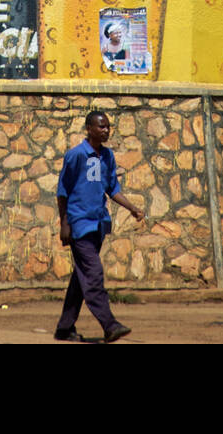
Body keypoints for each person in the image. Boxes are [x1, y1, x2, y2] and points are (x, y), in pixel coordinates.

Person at [54, 109, 144, 343]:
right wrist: (64, 224)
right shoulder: (76, 155)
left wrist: (132, 208)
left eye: (108, 126)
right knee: (93, 274)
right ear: (89, 129)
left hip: (98, 225)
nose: (106, 130)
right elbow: (62, 192)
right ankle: (109, 324)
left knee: (81, 277)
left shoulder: (107, 156)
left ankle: (64, 328)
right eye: (101, 126)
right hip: (79, 224)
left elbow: (112, 188)